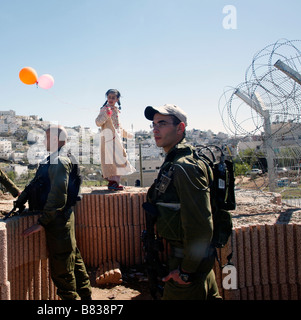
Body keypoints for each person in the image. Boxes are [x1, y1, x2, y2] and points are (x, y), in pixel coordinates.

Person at [144, 104, 221, 300]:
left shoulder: (184, 167)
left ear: (180, 128)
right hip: (195, 262)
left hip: (188, 265)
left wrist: (185, 271)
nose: (155, 129)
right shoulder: (178, 160)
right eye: (153, 124)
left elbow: (201, 225)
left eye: (162, 123)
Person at [22, 125, 92, 300]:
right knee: (73, 259)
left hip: (58, 220)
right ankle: (86, 297)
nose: (44, 141)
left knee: (62, 270)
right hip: (61, 218)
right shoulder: (57, 157)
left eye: (46, 138)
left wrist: (42, 222)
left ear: (55, 139)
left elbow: (58, 194)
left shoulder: (60, 160)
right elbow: (37, 182)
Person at [95, 89, 135, 191]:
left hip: (116, 139)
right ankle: (113, 182)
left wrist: (129, 135)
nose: (111, 99)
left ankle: (116, 183)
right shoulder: (105, 109)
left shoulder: (116, 110)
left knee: (119, 158)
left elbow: (119, 127)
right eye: (109, 97)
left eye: (113, 98)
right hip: (108, 139)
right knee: (112, 159)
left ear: (117, 99)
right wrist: (106, 114)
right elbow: (98, 122)